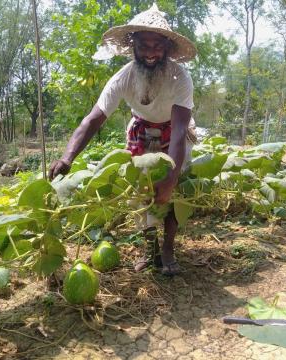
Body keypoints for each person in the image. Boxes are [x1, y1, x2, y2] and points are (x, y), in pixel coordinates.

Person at [48, 4, 197, 276]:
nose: (151, 52)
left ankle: (168, 248)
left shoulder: (180, 78)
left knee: (174, 191)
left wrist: (171, 178)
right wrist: (67, 158)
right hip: (141, 131)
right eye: (144, 45)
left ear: (166, 48)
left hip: (174, 132)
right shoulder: (123, 78)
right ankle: (149, 248)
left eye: (157, 45)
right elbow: (93, 119)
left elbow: (178, 132)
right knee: (141, 192)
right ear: (133, 46)